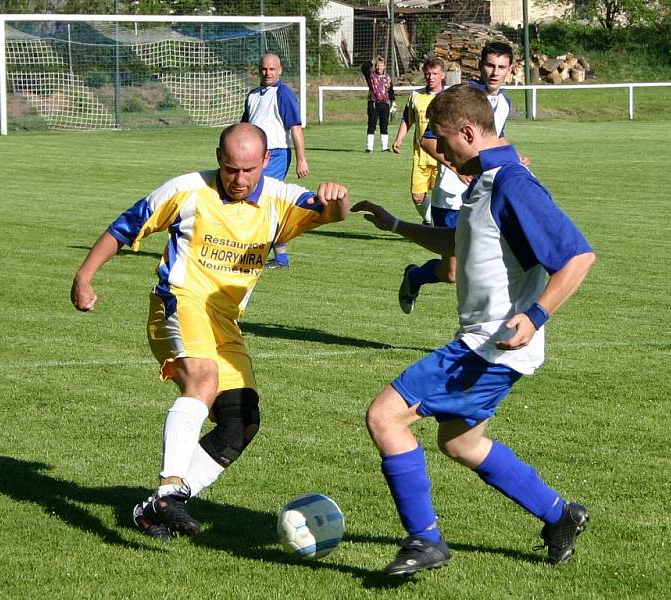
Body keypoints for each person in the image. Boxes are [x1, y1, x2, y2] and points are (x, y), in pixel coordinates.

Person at [351, 83, 596, 576]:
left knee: (384, 417)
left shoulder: (512, 183)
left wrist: (536, 315)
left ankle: (425, 541)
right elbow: (459, 241)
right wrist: (396, 224)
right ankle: (560, 515)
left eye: (443, 140)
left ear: (468, 131)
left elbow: (578, 256)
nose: (438, 151)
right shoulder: (485, 180)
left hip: (489, 346)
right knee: (460, 443)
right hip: (492, 345)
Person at [71, 123, 350, 541]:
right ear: (219, 158)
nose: (239, 179)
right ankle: (169, 489)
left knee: (240, 422)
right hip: (179, 303)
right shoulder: (186, 190)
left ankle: (158, 508)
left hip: (225, 321)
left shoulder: (280, 198)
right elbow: (124, 227)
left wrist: (338, 198)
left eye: (249, 170)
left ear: (265, 162)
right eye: (231, 169)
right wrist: (84, 277)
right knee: (203, 377)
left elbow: (331, 213)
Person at [398, 42, 523, 314]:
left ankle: (482, 332)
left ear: (510, 70)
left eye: (501, 67)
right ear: (479, 65)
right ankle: (414, 277)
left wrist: (514, 156)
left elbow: (494, 139)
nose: (494, 72)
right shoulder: (462, 98)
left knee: (487, 265)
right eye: (490, 65)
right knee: (453, 272)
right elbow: (427, 140)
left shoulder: (504, 103)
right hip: (451, 193)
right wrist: (457, 168)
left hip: (485, 194)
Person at [241, 52, 309, 269]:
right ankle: (279, 256)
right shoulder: (252, 96)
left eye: (272, 69)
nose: (267, 72)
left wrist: (301, 159)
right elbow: (244, 128)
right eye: (264, 69)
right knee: (259, 202)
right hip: (254, 154)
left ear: (279, 70)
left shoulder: (284, 94)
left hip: (277, 154)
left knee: (259, 200)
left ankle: (255, 254)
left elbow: (295, 128)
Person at [391, 55, 446, 226]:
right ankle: (431, 222)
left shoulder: (449, 97)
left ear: (442, 75)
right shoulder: (415, 96)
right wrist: (399, 139)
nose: (431, 77)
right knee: (417, 196)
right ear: (424, 73)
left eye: (435, 73)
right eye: (428, 73)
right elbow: (407, 120)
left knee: (442, 200)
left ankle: (438, 227)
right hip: (420, 156)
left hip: (442, 158)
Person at [361, 56, 396, 153]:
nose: (379, 67)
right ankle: (369, 148)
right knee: (372, 124)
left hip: (385, 104)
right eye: (377, 65)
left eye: (381, 65)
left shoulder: (388, 77)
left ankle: (385, 148)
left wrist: (393, 102)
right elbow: (363, 68)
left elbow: (391, 91)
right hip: (373, 103)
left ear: (384, 66)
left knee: (384, 125)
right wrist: (372, 61)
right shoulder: (371, 76)